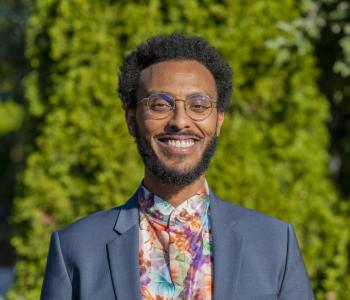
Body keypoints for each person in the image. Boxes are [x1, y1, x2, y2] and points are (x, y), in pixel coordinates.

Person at [41, 33, 314, 300]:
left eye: (199, 105)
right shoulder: (76, 249)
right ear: (132, 120)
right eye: (160, 105)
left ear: (218, 121)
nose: (180, 121)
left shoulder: (275, 244)